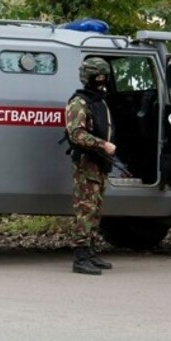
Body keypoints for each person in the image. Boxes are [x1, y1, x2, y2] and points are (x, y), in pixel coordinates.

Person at [65, 57, 117, 276]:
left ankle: (90, 251)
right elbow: (76, 134)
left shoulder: (98, 100)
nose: (101, 81)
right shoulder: (79, 102)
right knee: (85, 209)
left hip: (98, 162)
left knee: (95, 209)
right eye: (98, 76)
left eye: (104, 77)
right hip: (87, 162)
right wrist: (102, 144)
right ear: (88, 77)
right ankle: (81, 256)